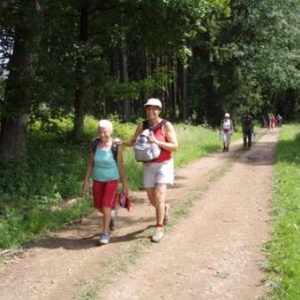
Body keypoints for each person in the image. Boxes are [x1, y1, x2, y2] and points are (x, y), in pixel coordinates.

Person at [120, 98, 178, 243]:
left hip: (164, 164)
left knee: (159, 196)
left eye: (154, 109)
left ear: (159, 110)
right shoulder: (142, 125)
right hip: (148, 166)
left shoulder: (166, 125)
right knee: (152, 199)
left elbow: (175, 146)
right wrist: (121, 142)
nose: (151, 111)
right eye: (148, 109)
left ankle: (159, 228)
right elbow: (134, 142)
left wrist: (157, 141)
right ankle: (164, 208)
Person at [82, 119, 129, 245]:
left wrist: (124, 183)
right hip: (97, 179)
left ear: (111, 131)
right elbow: (91, 163)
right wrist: (86, 179)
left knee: (106, 205)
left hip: (112, 179)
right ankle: (111, 216)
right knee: (98, 206)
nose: (102, 134)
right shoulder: (94, 144)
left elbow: (120, 165)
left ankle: (105, 233)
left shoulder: (116, 146)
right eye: (100, 132)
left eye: (105, 132)